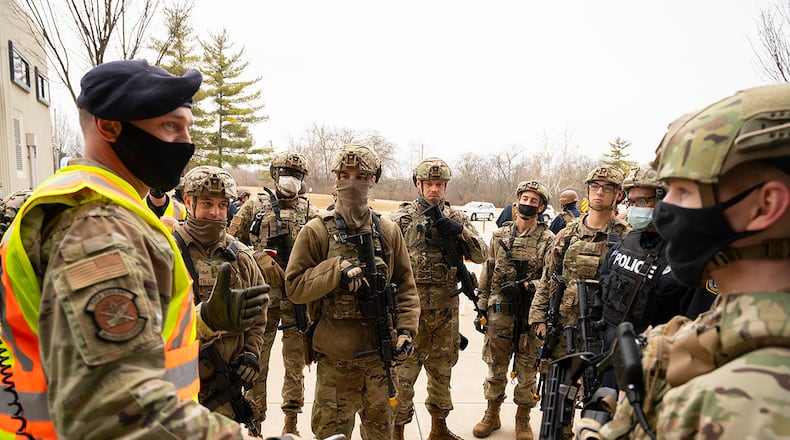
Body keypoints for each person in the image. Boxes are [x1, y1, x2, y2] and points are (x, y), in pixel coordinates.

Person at [0, 59, 270, 438]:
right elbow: (115, 409)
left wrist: (204, 320)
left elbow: (104, 340)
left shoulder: (102, 209)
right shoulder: (97, 228)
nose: (185, 142)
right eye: (169, 126)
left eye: (187, 128)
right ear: (108, 126)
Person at [578, 83, 790, 439]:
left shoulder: (748, 402)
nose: (663, 211)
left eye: (685, 191)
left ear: (764, 206)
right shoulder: (727, 325)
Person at [285, 144, 420, 440]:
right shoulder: (317, 231)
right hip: (336, 364)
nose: (352, 182)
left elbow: (407, 288)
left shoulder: (388, 230)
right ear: (335, 179)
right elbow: (294, 286)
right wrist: (335, 271)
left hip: (380, 363)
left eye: (361, 176)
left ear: (373, 180)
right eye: (344, 175)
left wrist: (407, 332)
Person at [529, 164, 630, 437]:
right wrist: (539, 320)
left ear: (618, 195)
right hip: (563, 333)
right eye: (595, 187)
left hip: (602, 337)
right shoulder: (567, 234)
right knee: (557, 409)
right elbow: (548, 279)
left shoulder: (626, 237)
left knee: (598, 411)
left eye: (607, 188)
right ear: (587, 191)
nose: (599, 192)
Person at [389, 157, 487, 440]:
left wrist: (461, 233)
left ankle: (438, 428)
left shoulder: (456, 218)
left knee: (442, 372)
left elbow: (481, 255)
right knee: (404, 374)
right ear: (418, 184)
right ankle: (397, 431)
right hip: (411, 311)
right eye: (429, 184)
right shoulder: (401, 219)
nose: (434, 189)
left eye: (439, 184)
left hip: (446, 311)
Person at [229, 151, 318, 435]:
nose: (289, 179)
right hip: (261, 299)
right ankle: (255, 422)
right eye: (283, 172)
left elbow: (323, 252)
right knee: (257, 361)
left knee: (295, 365)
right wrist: (256, 257)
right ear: (274, 174)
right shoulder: (255, 206)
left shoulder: (311, 212)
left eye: (295, 175)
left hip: (296, 301)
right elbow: (229, 241)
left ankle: (291, 423)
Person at [172, 166, 268, 426]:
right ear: (189, 203)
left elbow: (258, 314)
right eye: (207, 203)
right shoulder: (167, 250)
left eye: (222, 205)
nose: (215, 213)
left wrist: (250, 353)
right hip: (176, 389)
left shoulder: (241, 257)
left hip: (224, 389)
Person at [597, 163, 696, 389]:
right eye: (631, 202)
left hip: (654, 371)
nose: (635, 209)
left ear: (664, 201)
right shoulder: (626, 242)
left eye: (643, 201)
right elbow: (604, 291)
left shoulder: (685, 254)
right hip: (610, 357)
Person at [474, 180, 555, 440]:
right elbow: (487, 270)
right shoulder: (500, 235)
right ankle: (492, 414)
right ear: (517, 200)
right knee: (495, 367)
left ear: (542, 206)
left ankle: (523, 418)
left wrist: (527, 286)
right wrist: (481, 307)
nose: (527, 204)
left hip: (530, 316)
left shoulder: (548, 239)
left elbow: (551, 278)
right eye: (525, 198)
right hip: (499, 315)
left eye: (534, 201)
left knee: (528, 370)